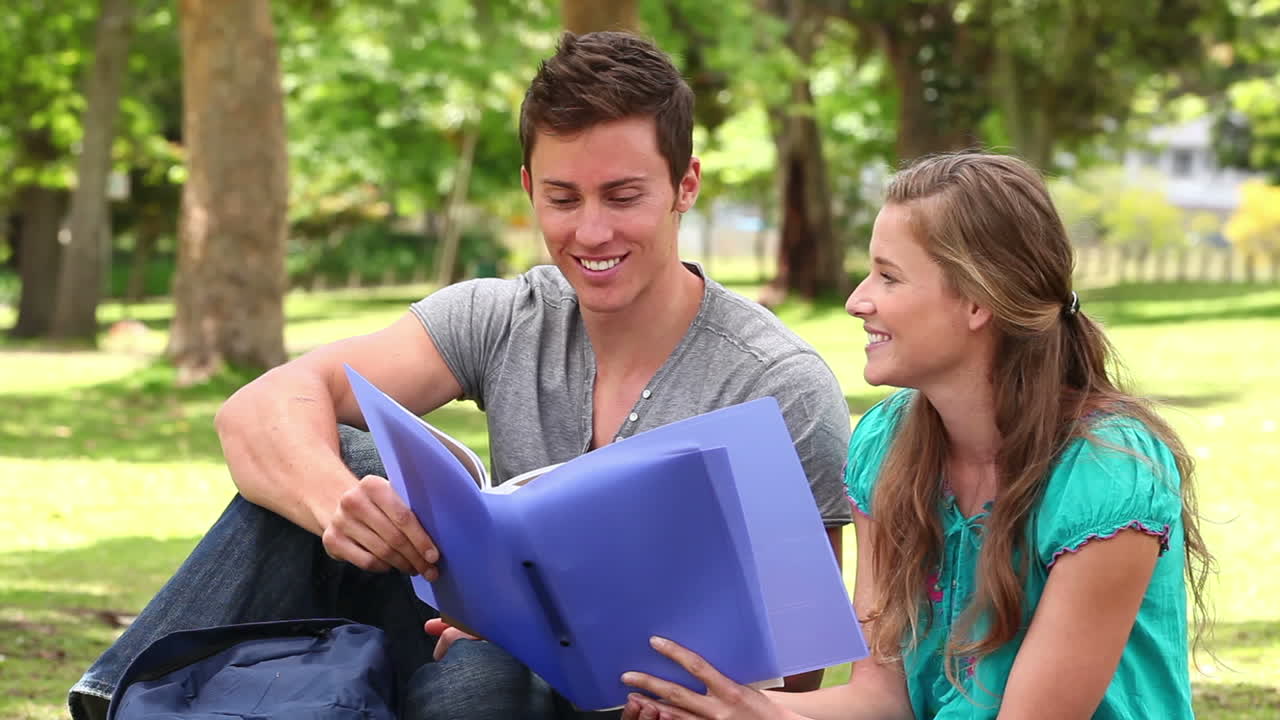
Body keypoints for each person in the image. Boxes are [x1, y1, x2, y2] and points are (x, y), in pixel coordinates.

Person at [68, 31, 853, 720]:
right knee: (349, 461)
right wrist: (338, 506)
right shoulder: (507, 315)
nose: (591, 231)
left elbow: (795, 678)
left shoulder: (780, 387)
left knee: (483, 678)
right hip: (486, 647)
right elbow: (259, 409)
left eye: (623, 196)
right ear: (528, 190)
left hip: (644, 698)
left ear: (686, 186)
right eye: (562, 197)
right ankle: (119, 700)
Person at [619, 152, 1214, 720]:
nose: (857, 300)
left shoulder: (1108, 476)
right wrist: (720, 703)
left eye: (888, 276)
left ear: (977, 301)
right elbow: (883, 700)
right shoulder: (885, 445)